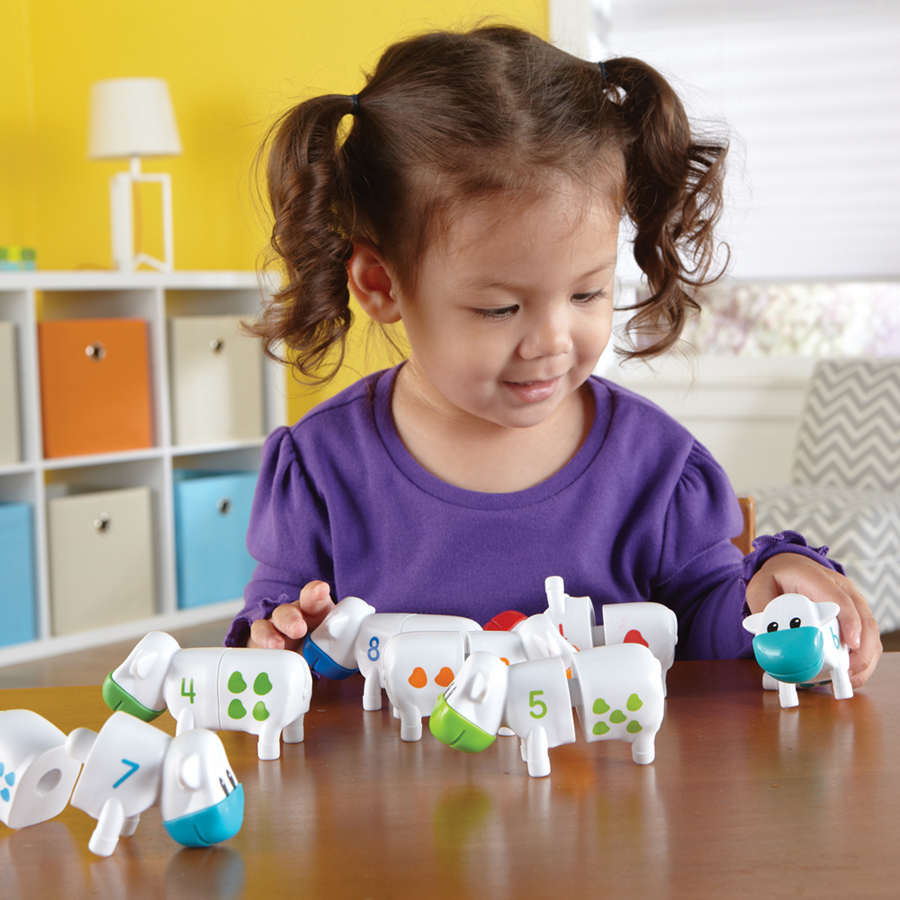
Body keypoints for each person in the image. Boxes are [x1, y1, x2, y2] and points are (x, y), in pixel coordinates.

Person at [226, 24, 881, 686]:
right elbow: (271, 638)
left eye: (587, 292)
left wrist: (771, 597)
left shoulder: (655, 467)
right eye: (500, 308)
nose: (553, 341)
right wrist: (281, 640)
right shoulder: (321, 470)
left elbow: (711, 634)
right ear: (381, 284)